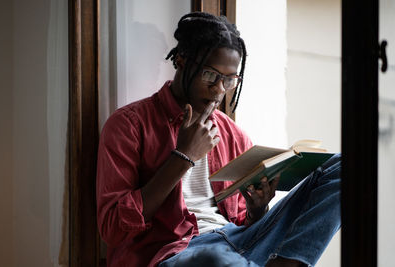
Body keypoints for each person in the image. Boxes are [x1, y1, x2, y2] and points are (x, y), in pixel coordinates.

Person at [96, 12, 341, 267]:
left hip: (238, 241)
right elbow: (112, 227)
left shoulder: (232, 135)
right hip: (178, 254)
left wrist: (257, 212)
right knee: (215, 258)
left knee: (343, 166)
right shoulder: (129, 125)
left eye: (230, 80)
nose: (219, 90)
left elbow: (244, 224)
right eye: (210, 76)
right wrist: (183, 158)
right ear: (181, 61)